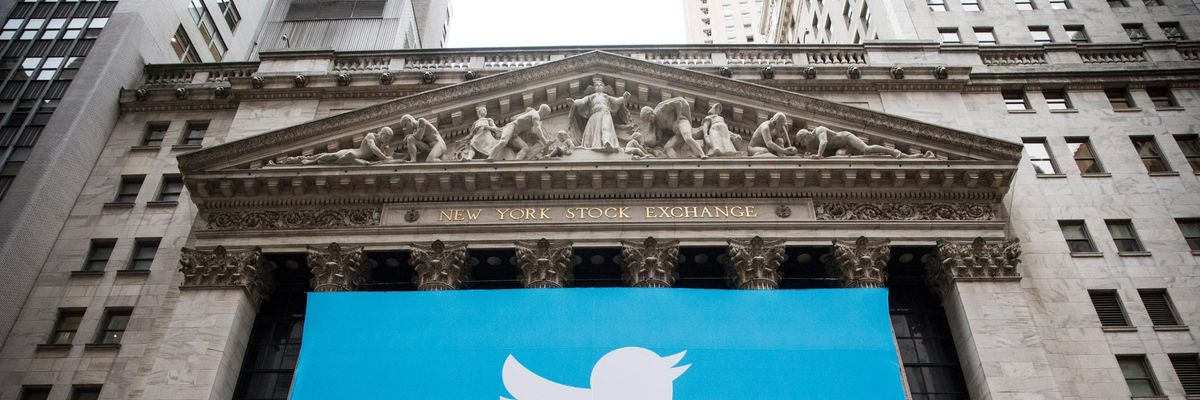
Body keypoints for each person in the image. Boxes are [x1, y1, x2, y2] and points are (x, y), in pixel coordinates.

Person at [277, 127, 395, 166]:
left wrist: (385, 148)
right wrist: (385, 158)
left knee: (345, 160)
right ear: (382, 133)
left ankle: (323, 162)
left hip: (358, 159)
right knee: (332, 155)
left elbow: (382, 154)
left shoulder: (382, 144)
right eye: (387, 137)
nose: (387, 140)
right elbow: (373, 149)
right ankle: (310, 161)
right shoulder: (371, 136)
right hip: (354, 153)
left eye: (389, 139)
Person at [567, 81, 630, 151]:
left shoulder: (606, 96)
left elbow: (616, 101)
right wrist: (574, 102)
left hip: (605, 113)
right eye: (596, 85)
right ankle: (591, 145)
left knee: (606, 127)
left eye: (601, 85)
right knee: (591, 131)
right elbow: (582, 101)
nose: (599, 86)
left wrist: (624, 98)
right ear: (594, 88)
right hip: (594, 115)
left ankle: (607, 142)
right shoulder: (591, 96)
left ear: (603, 88)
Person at [794, 126, 929, 158]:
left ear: (804, 136)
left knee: (866, 149)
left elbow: (823, 143)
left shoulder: (819, 130)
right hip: (842, 148)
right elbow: (807, 154)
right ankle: (907, 156)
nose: (802, 145)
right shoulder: (810, 144)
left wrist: (818, 155)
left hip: (846, 138)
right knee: (840, 158)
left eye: (801, 142)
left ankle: (893, 152)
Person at [639, 97, 706, 159]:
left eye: (648, 118)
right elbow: (658, 139)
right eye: (647, 120)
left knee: (688, 138)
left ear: (651, 113)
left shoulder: (662, 109)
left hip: (681, 123)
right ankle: (677, 162)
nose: (649, 121)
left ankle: (702, 154)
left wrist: (677, 120)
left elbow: (678, 103)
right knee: (667, 147)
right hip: (677, 133)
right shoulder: (657, 124)